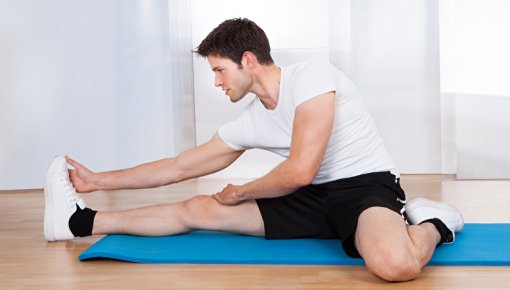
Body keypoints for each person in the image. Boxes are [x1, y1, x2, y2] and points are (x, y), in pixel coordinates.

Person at [44, 18, 463, 282]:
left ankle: (433, 222)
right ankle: (83, 222)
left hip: (365, 188)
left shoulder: (313, 78)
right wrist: (98, 181)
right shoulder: (252, 119)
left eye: (219, 70)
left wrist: (242, 192)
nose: (216, 82)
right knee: (198, 207)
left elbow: (299, 169)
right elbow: (178, 167)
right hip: (311, 196)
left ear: (247, 60)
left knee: (395, 266)